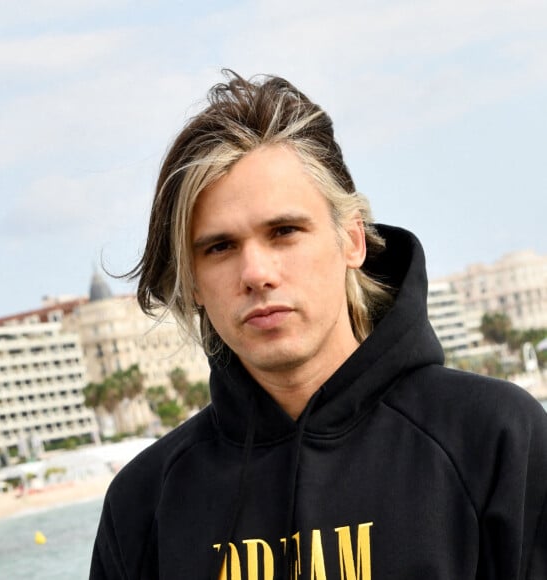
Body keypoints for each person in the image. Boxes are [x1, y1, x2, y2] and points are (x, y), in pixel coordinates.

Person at [90, 71, 547, 579]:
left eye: (284, 231)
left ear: (353, 240)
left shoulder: (495, 438)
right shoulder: (143, 505)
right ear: (193, 283)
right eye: (219, 247)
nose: (256, 274)